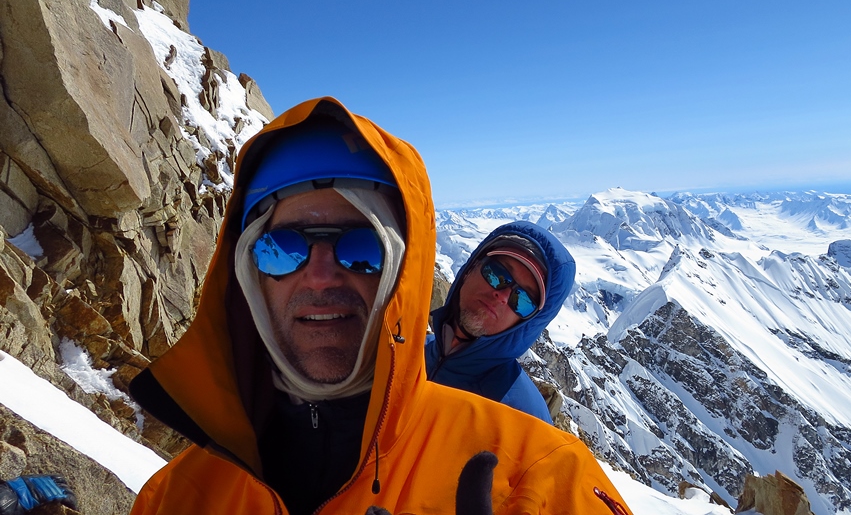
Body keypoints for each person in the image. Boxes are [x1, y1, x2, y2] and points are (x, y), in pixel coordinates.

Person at [128, 97, 632, 515]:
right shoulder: (173, 498)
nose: (320, 275)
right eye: (281, 249)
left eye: (362, 249)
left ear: (403, 273)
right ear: (246, 276)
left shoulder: (536, 471)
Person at [426, 222, 575, 423]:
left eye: (522, 299)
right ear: (471, 268)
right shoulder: (399, 349)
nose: (503, 296)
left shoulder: (524, 421)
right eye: (497, 274)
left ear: (526, 323)